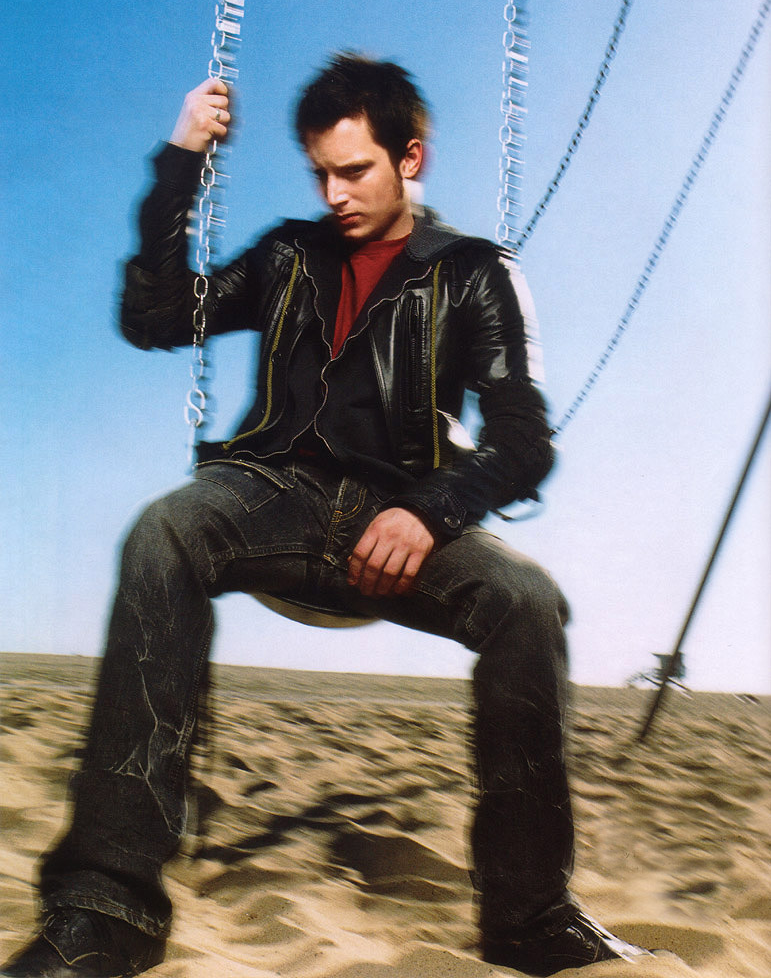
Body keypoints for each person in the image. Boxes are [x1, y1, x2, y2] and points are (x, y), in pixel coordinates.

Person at [2, 54, 651, 978]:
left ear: (410, 158)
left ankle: (530, 917)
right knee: (164, 529)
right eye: (320, 174)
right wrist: (181, 160)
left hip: (404, 511)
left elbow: (523, 441)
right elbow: (155, 317)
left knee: (527, 601)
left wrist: (430, 512)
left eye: (354, 171)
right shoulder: (287, 255)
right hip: (272, 493)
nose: (334, 194)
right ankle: (105, 910)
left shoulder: (475, 273)